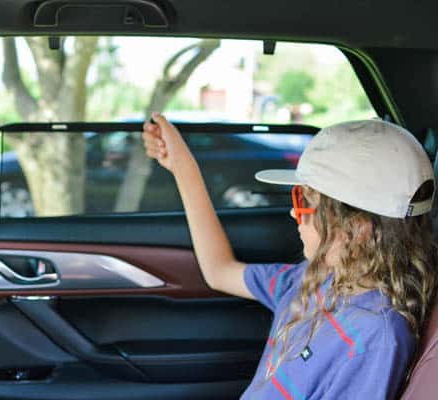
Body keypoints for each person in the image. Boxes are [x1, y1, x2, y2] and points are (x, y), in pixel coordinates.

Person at [142, 113, 438, 399]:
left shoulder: (376, 337)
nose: (294, 212)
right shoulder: (314, 278)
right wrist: (182, 166)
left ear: (357, 229)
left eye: (304, 201)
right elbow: (219, 270)